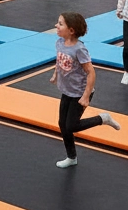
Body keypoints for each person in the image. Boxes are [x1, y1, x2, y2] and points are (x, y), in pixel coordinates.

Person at [51, 12, 120, 168]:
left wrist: (86, 96)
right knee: (63, 124)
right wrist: (56, 74)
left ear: (71, 30)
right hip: (67, 90)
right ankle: (72, 157)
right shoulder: (59, 42)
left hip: (80, 93)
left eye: (60, 24)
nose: (56, 26)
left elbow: (91, 72)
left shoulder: (79, 49)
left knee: (72, 126)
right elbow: (59, 60)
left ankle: (103, 119)